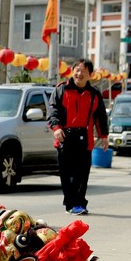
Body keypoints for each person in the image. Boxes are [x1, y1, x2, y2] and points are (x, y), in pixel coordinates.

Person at [47, 58, 109, 215]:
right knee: (67, 174)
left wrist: (104, 136)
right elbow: (52, 112)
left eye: (84, 71)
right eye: (78, 70)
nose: (80, 74)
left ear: (90, 75)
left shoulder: (94, 95)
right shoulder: (61, 90)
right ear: (72, 71)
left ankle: (80, 203)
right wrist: (56, 128)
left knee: (82, 174)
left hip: (85, 138)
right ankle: (70, 203)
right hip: (64, 136)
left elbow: (100, 117)